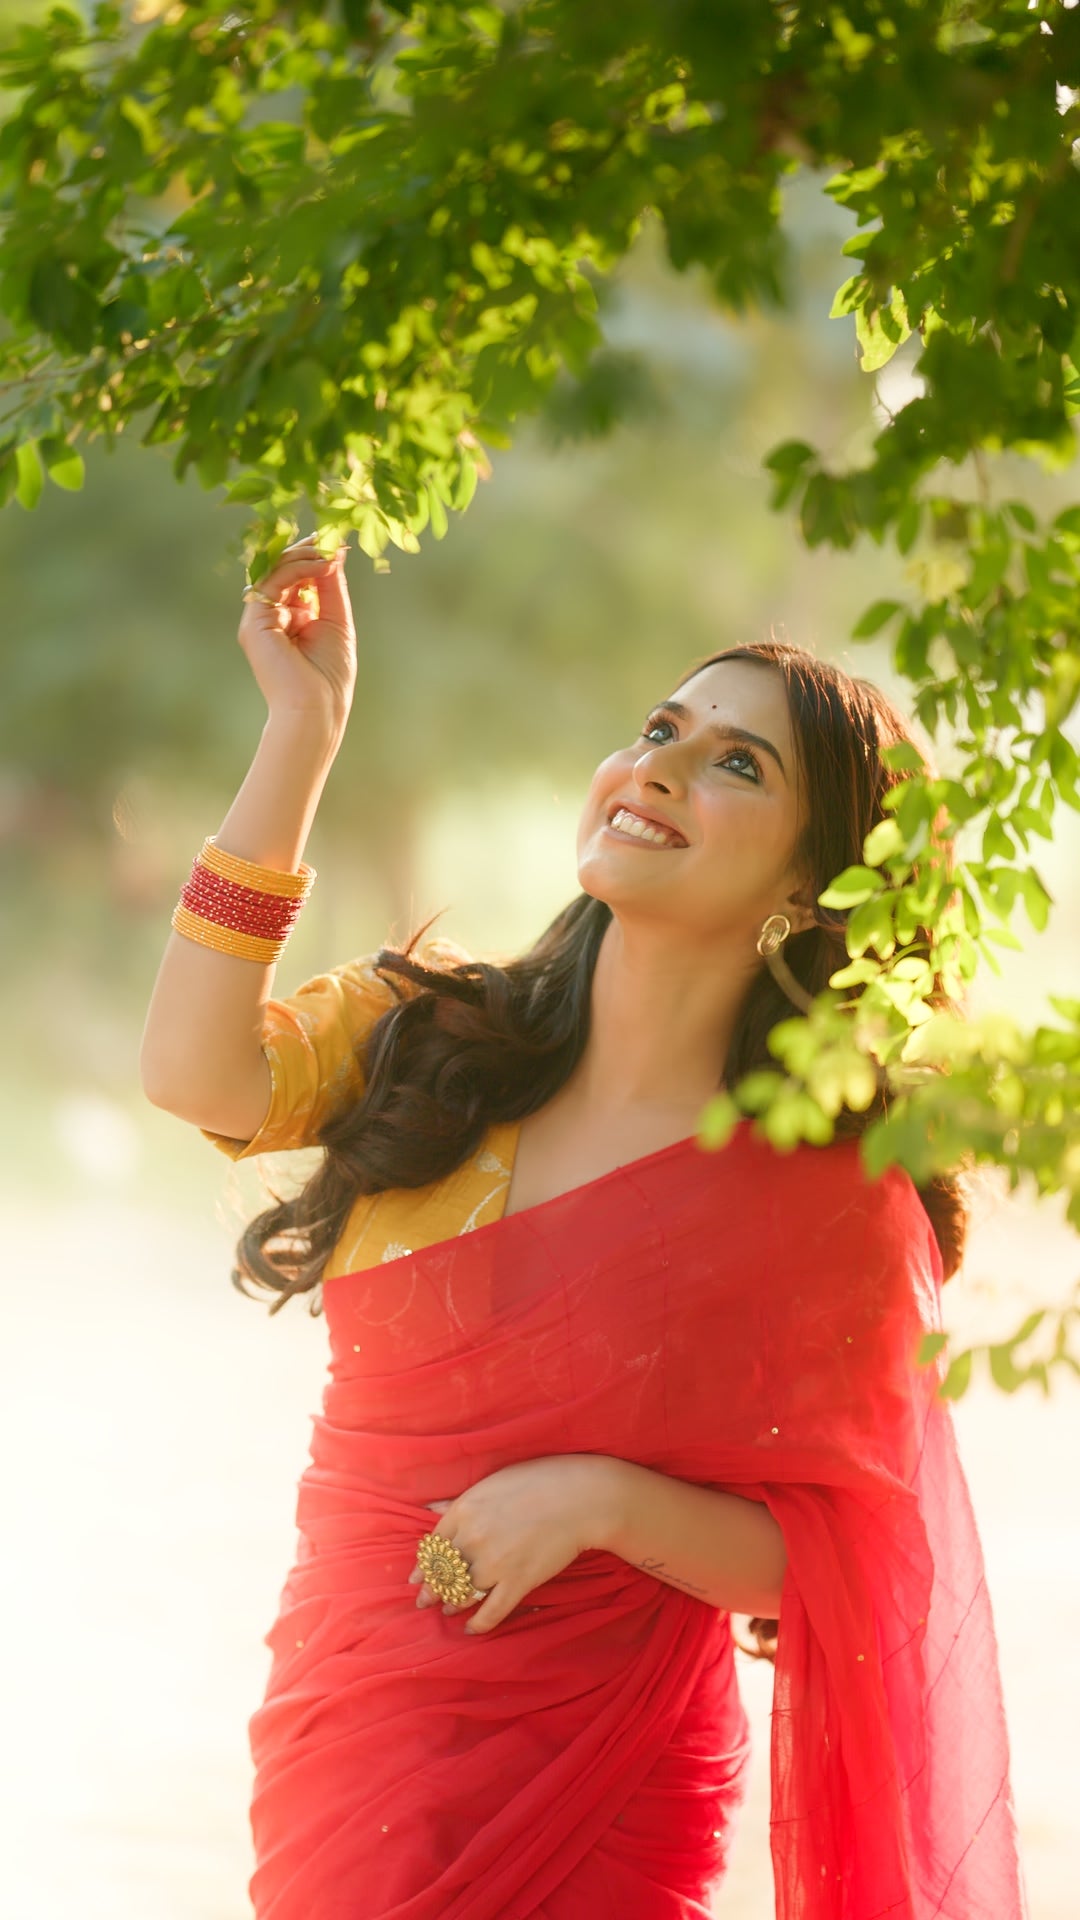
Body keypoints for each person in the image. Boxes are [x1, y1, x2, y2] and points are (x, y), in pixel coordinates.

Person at [140, 536, 1029, 1920]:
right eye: (661, 729)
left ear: (816, 885)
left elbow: (853, 1559)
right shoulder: (436, 1042)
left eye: (741, 764)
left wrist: (602, 1506)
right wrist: (300, 739)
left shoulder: (819, 1197)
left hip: (604, 1790)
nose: (661, 767)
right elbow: (199, 1076)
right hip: (352, 1735)